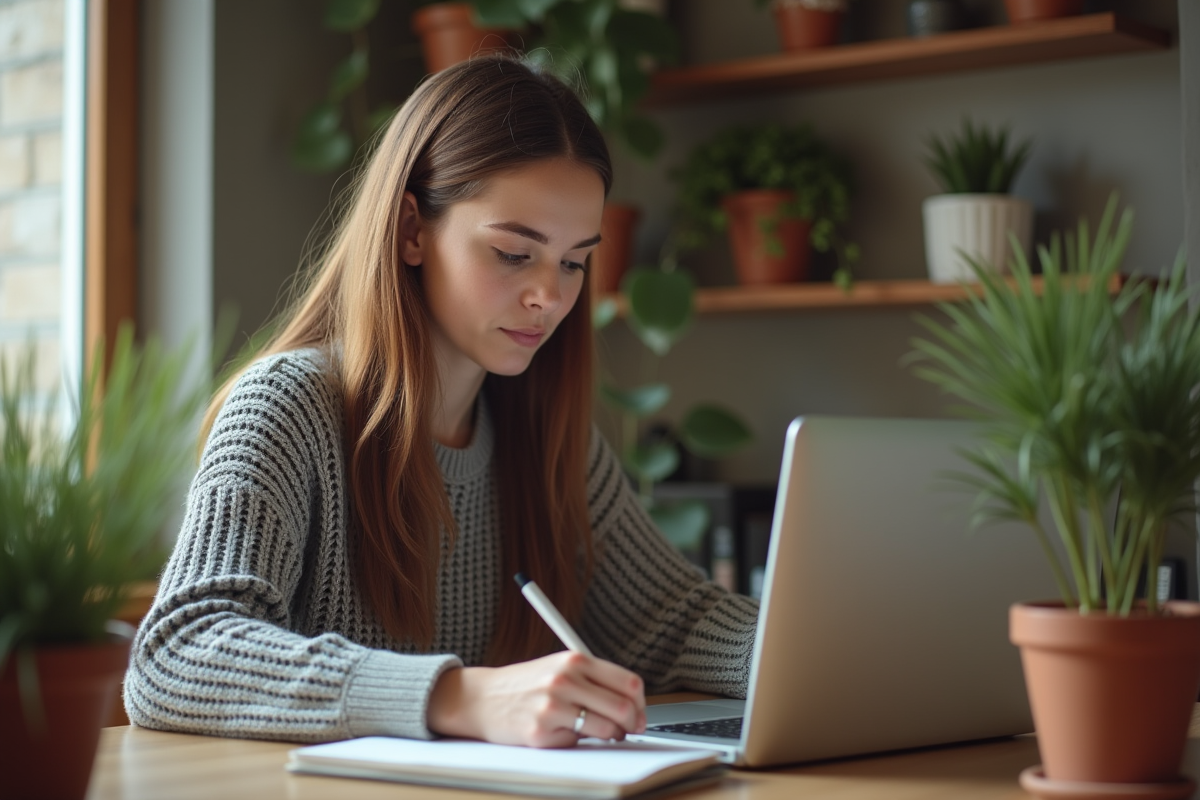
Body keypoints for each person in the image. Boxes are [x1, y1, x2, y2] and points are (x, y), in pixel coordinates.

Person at [124, 54, 759, 747]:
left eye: (574, 261)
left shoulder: (548, 435)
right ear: (411, 230)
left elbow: (673, 619)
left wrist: (840, 655)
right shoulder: (286, 408)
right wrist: (458, 696)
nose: (550, 295)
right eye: (515, 253)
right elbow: (176, 655)